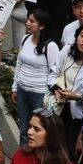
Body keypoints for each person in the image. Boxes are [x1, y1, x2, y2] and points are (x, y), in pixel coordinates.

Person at [49, 21, 83, 153]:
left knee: (71, 151)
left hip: (79, 115)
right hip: (58, 107)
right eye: (82, 35)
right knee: (53, 149)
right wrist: (56, 90)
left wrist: (77, 97)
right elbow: (53, 74)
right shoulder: (67, 50)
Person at [15, 10, 61, 145]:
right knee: (24, 129)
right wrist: (14, 87)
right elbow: (19, 63)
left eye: (32, 21)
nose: (27, 23)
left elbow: (55, 72)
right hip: (22, 90)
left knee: (40, 129)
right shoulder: (25, 39)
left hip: (40, 94)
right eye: (27, 20)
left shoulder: (51, 46)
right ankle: (23, 155)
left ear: (42, 26)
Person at [9, 111, 76, 164]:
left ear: (51, 134)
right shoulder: (20, 155)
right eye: (30, 127)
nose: (29, 132)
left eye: (36, 129)